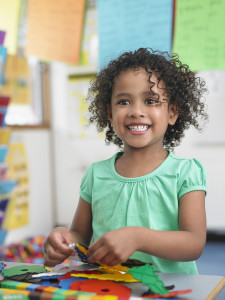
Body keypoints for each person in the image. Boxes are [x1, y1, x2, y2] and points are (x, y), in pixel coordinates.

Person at [44, 48, 208, 274]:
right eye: (123, 102)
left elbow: (194, 243)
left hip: (168, 291)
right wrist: (63, 238)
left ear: (172, 112)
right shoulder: (96, 174)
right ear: (109, 114)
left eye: (150, 100)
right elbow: (80, 236)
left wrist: (138, 237)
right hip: (108, 290)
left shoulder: (186, 172)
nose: (136, 111)